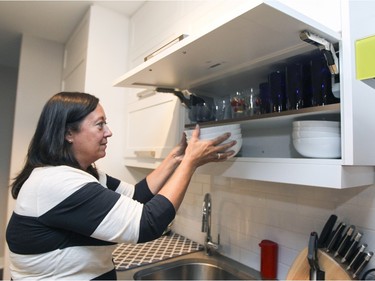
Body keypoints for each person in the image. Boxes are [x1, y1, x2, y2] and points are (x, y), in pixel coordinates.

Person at [6, 92, 236, 280]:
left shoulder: (80, 175)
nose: (109, 132)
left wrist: (175, 158)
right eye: (100, 125)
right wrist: (189, 163)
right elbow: (147, 223)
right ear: (68, 133)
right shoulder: (57, 182)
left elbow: (137, 195)